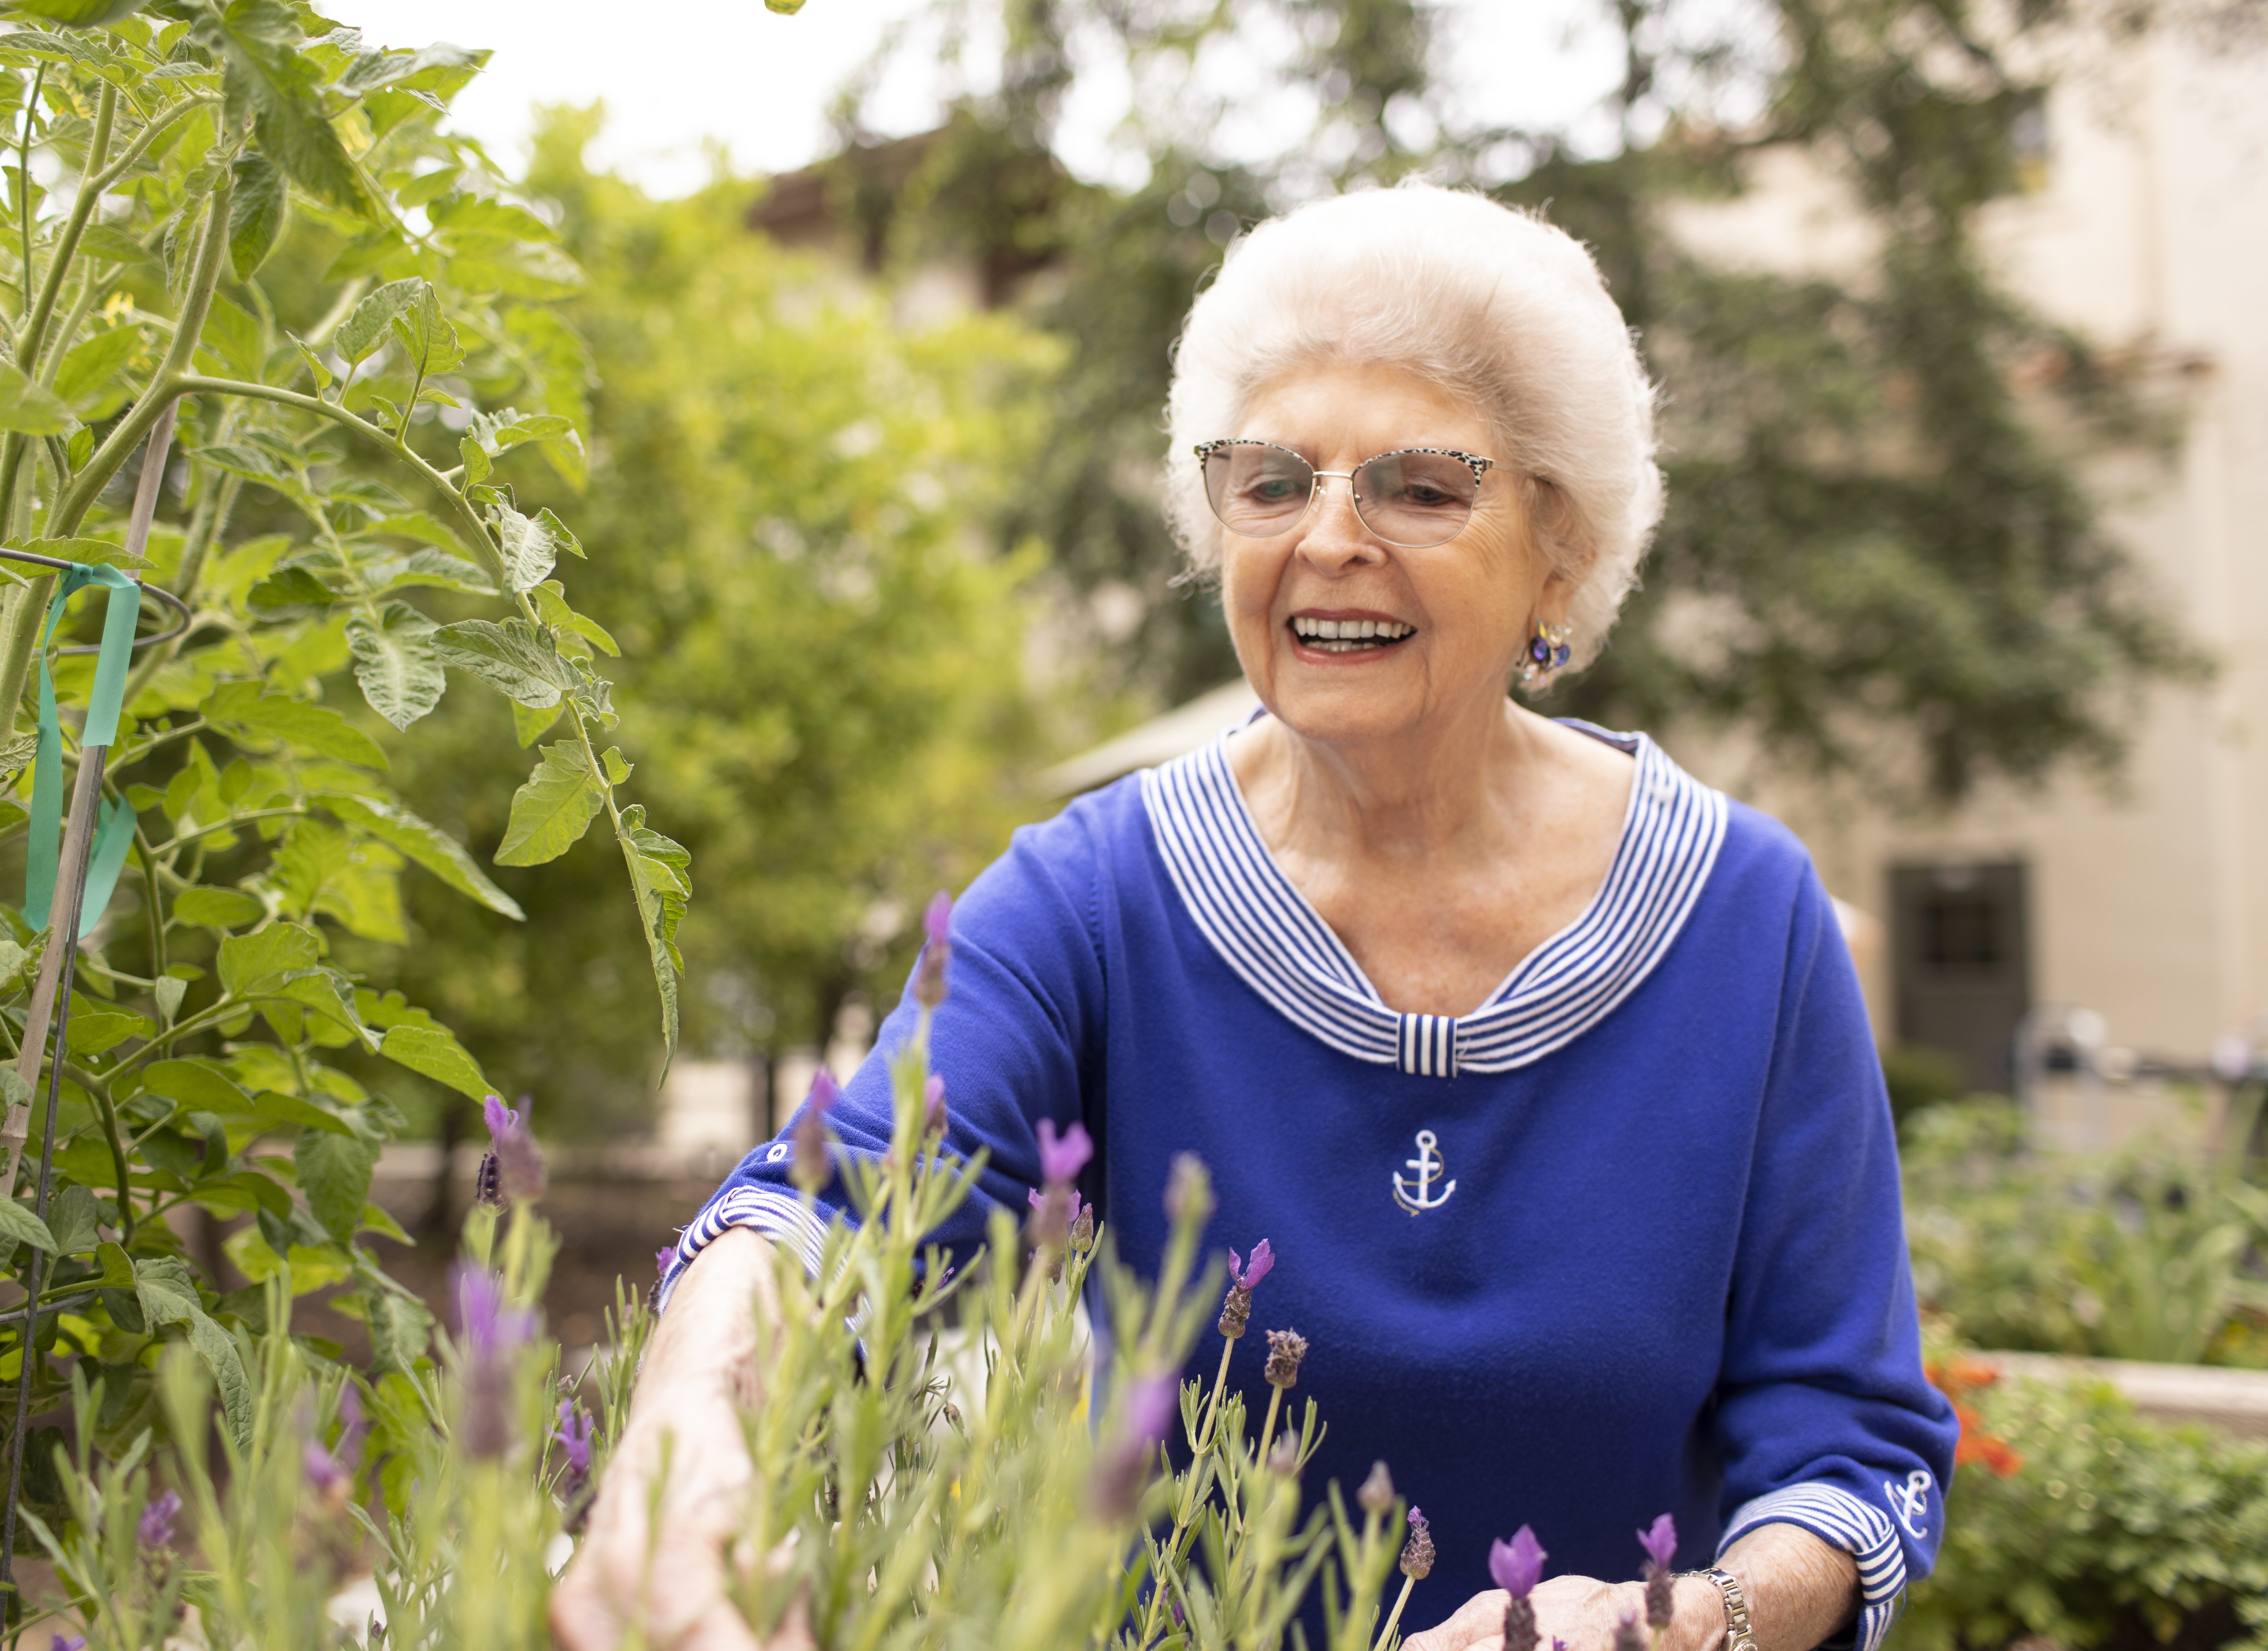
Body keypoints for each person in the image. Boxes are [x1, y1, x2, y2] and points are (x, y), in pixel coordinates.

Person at [550, 183, 1956, 1651]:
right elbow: (841, 1204)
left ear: (1563, 543)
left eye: (1421, 486)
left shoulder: (1750, 915)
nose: (1328, 538)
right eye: (1273, 481)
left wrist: (1700, 1619)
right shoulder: (1090, 896)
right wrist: (685, 1437)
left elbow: (1850, 1443)